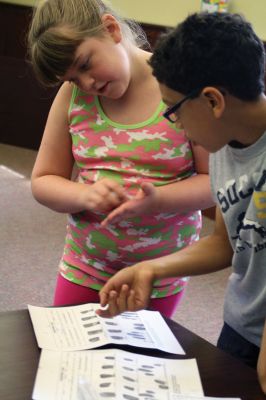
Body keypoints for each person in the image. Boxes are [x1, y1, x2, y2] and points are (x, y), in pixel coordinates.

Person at [97, 11, 266, 383]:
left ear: (212, 101)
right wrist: (151, 267)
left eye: (173, 109)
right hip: (242, 325)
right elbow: (226, 242)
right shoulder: (224, 145)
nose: (175, 124)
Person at [27, 0, 214, 318]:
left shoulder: (179, 88)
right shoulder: (73, 97)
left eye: (85, 64)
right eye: (72, 78)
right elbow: (43, 180)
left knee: (143, 362)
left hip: (158, 273)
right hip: (86, 266)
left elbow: (213, 183)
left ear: (111, 29)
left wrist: (157, 200)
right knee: (72, 355)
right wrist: (83, 194)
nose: (86, 84)